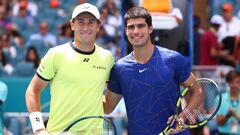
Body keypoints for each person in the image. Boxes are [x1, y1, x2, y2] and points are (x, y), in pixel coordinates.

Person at [104, 7, 198, 135]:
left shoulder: (173, 59)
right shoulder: (119, 68)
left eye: (141, 26)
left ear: (150, 28)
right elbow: (108, 107)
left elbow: (198, 91)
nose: (136, 31)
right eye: (131, 27)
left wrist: (183, 116)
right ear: (125, 30)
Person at [25, 3, 114, 134]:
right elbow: (32, 90)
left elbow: (106, 104)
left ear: (98, 26)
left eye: (91, 22)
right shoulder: (55, 54)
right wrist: (38, 129)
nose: (85, 27)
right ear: (72, 24)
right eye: (80, 22)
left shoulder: (107, 58)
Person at [216, 70, 240, 135]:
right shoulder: (219, 98)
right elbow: (219, 122)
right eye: (231, 82)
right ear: (227, 83)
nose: (234, 85)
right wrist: (228, 115)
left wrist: (235, 115)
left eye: (237, 82)